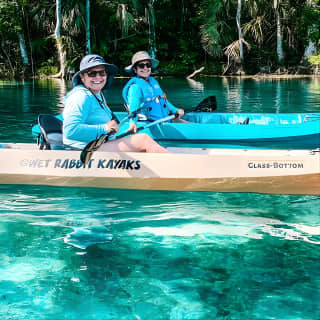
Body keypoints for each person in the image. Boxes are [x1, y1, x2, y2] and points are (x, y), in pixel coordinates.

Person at [63, 54, 168, 153]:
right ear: (82, 77)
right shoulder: (80, 96)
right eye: (92, 73)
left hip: (99, 143)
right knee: (143, 140)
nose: (98, 77)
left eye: (102, 73)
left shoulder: (96, 93)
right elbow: (70, 131)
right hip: (84, 149)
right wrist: (104, 128)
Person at [122, 51, 188, 126]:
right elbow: (133, 110)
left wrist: (175, 110)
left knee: (188, 124)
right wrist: (133, 123)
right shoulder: (135, 88)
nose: (145, 68)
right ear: (135, 69)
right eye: (141, 65)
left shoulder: (153, 82)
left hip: (164, 120)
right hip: (149, 123)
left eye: (148, 65)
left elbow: (163, 100)